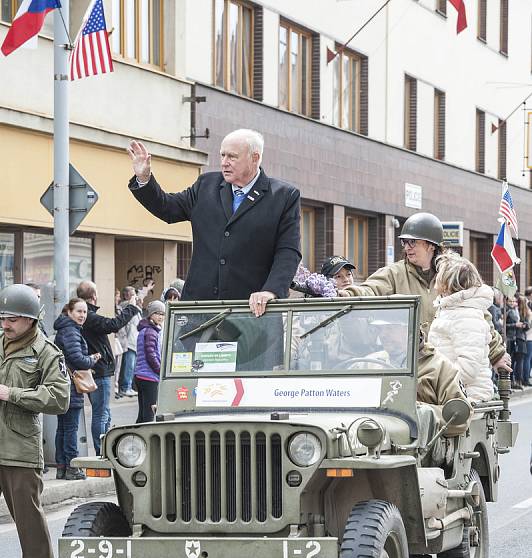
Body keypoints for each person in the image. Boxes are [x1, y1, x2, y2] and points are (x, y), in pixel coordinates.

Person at [127, 129, 301, 317]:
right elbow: (168, 208)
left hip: (252, 313)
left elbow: (288, 251)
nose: (224, 162)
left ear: (255, 157)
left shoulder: (283, 196)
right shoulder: (206, 185)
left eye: (232, 157)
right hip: (200, 311)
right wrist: (144, 178)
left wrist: (271, 291)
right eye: (222, 155)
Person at [339, 212, 511, 374]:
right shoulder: (395, 273)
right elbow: (371, 288)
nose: (407, 247)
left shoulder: (453, 274)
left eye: (413, 242)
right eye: (404, 242)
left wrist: (496, 354)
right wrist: (348, 294)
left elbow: (477, 315)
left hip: (449, 365)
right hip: (411, 364)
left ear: (431, 245)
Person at [0, 284, 70, 558]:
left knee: (27, 518)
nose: (5, 324)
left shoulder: (46, 352)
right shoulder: (0, 343)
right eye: (2, 318)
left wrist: (12, 394)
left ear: (30, 320)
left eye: (11, 319)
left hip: (19, 447)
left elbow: (59, 398)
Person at [76, 280, 141, 454]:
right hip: (99, 370)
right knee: (101, 414)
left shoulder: (84, 316)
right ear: (94, 296)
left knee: (104, 413)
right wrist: (131, 308)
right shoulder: (89, 316)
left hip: (97, 369)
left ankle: (106, 449)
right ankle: (101, 452)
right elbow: (113, 325)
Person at [428, 252, 494, 403]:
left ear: (446, 284)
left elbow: (468, 368)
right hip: (452, 394)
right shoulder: (452, 310)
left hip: (464, 398)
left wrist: (434, 381)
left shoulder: (466, 316)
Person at [53, 298, 101, 480]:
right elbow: (79, 359)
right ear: (69, 312)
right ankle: (72, 468)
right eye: (79, 311)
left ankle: (62, 467)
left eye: (85, 312)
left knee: (63, 428)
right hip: (71, 386)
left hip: (63, 384)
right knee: (70, 428)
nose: (82, 315)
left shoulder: (66, 329)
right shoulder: (71, 331)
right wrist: (92, 359)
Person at [134, 300, 165, 423]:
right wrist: (160, 370)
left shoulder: (145, 330)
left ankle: (136, 439)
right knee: (149, 414)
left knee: (142, 414)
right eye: (157, 313)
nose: (160, 316)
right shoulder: (151, 332)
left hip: (141, 376)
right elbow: (151, 354)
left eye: (162, 314)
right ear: (150, 314)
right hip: (149, 377)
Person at [117, 285, 141, 398]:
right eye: (132, 295)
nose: (135, 297)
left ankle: (129, 387)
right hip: (129, 341)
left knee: (131, 366)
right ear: (126, 295)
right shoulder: (125, 306)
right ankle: (126, 387)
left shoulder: (134, 307)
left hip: (134, 341)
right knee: (128, 366)